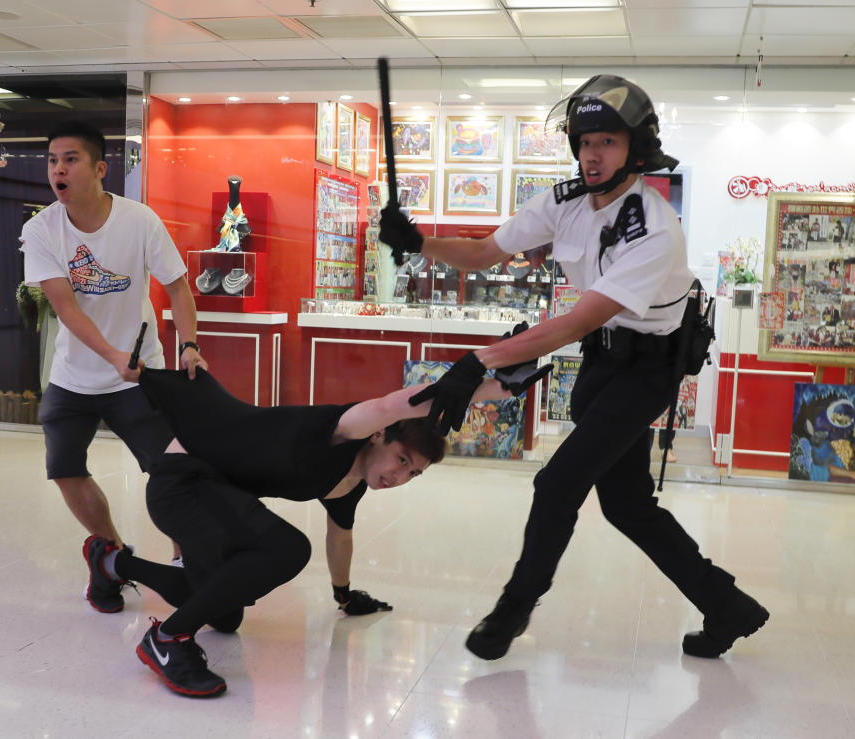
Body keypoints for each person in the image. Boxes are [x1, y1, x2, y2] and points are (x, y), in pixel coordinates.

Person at [378, 74, 768, 662]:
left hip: (645, 373)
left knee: (557, 483)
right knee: (628, 505)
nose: (591, 154)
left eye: (606, 141)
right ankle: (729, 606)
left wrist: (478, 360)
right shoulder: (564, 201)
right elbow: (487, 251)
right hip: (604, 364)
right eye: (584, 141)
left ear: (636, 148)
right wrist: (419, 242)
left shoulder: (655, 228)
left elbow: (573, 322)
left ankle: (514, 607)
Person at [82, 367, 523, 697]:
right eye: (402, 459)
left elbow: (341, 536)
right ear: (380, 436)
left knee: (223, 612)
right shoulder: (342, 430)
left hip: (210, 493)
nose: (400, 476)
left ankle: (110, 562)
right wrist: (489, 389)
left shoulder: (350, 486)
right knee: (289, 548)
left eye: (414, 474)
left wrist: (345, 594)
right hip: (182, 481)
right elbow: (393, 403)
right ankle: (166, 639)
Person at [19, 120, 207, 614]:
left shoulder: (139, 220)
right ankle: (114, 555)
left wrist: (188, 344)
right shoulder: (40, 230)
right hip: (74, 377)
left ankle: (188, 565)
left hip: (141, 375)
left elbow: (179, 288)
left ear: (100, 168)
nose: (58, 169)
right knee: (64, 469)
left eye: (71, 159)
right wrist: (111, 356)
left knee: (171, 471)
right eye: (52, 161)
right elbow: (67, 309)